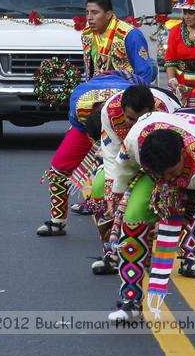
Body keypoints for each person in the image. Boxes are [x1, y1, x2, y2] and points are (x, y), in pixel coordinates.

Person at [108, 111, 195, 332]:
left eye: (172, 173)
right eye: (160, 175)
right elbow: (123, 169)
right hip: (173, 144)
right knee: (134, 213)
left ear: (183, 154)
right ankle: (130, 298)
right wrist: (115, 196)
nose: (168, 181)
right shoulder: (134, 140)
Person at [36, 72, 147, 239]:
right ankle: (58, 221)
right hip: (90, 121)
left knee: (133, 166)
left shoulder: (129, 108)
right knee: (58, 168)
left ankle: (135, 219)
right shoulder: (78, 110)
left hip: (124, 119)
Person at [84, 83, 181, 274]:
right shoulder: (109, 113)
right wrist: (114, 192)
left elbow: (175, 154)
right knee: (99, 188)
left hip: (162, 165)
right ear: (122, 111)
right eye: (130, 119)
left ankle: (189, 256)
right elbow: (111, 154)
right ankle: (112, 252)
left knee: (174, 201)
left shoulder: (170, 112)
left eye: (142, 119)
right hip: (125, 159)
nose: (137, 125)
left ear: (153, 110)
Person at [80, 0, 155, 82]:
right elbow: (89, 70)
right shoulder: (87, 34)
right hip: (98, 88)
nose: (89, 17)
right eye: (87, 13)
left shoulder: (130, 34)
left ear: (108, 14)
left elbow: (144, 72)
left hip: (126, 89)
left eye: (94, 13)